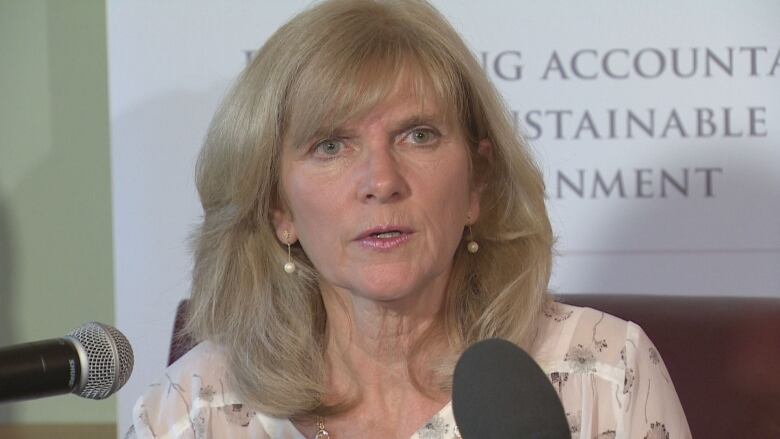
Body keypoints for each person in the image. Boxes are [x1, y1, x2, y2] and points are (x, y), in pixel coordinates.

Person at [127, 0, 691, 438]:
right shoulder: (193, 411)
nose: (381, 180)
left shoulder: (608, 373)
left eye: (418, 135)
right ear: (279, 210)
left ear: (477, 183)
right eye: (331, 146)